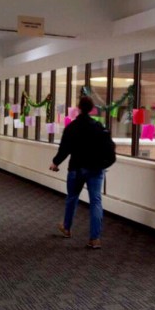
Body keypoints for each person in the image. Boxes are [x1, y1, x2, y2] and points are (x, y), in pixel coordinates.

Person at [49, 96, 111, 249]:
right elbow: (107, 148)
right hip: (96, 169)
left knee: (72, 198)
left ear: (78, 108)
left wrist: (55, 162)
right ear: (91, 109)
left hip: (76, 168)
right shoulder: (98, 126)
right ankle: (95, 239)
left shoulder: (72, 127)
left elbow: (65, 148)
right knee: (96, 201)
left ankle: (67, 228)